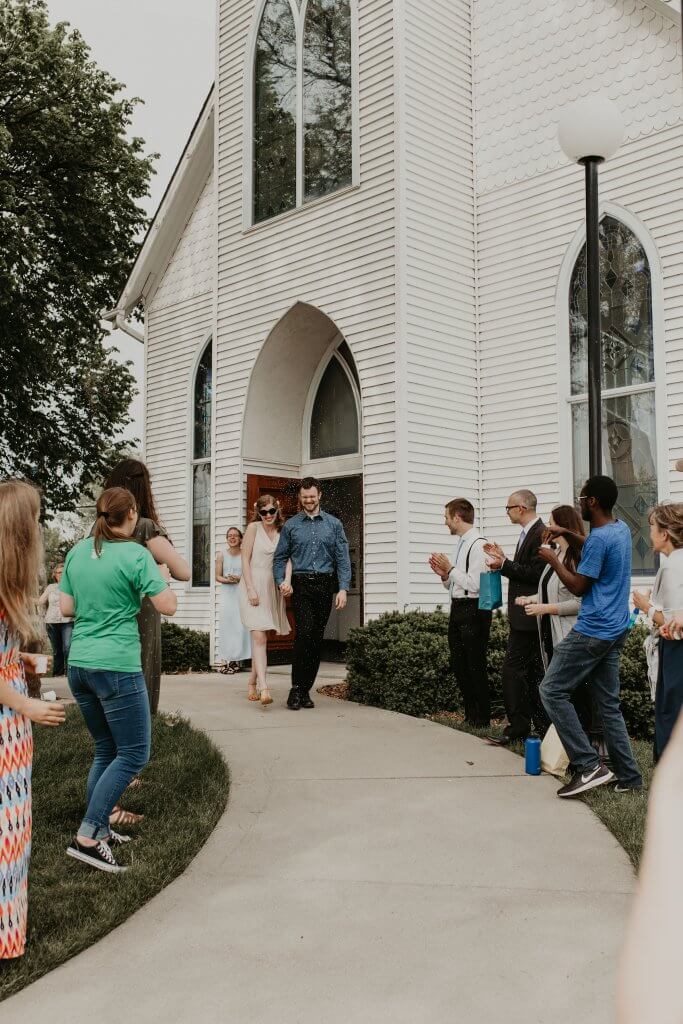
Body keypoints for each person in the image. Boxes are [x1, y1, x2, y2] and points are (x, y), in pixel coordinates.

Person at [60, 487, 178, 873]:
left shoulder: (78, 551)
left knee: (105, 748)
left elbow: (67, 607)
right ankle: (89, 836)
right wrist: (159, 576)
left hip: (79, 665)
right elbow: (168, 606)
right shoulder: (136, 554)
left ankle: (103, 829)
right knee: (134, 753)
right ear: (131, 515)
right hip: (116, 666)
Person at [538, 475, 643, 797]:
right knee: (608, 706)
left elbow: (579, 587)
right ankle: (630, 778)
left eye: (582, 499)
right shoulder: (620, 528)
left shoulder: (599, 538)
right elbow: (599, 550)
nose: (580, 503)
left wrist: (553, 558)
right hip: (616, 628)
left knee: (552, 690)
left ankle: (589, 766)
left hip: (593, 629)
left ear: (592, 502)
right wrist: (568, 533)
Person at [0, 479, 65, 958]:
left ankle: (9, 935)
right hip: (5, 724)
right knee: (6, 831)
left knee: (14, 829)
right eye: (36, 517)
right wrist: (27, 704)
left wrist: (22, 663)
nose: (41, 526)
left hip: (11, 724)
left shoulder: (8, 584)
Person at [104, 459, 190, 714]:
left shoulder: (97, 532)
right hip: (140, 608)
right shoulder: (144, 528)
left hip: (105, 608)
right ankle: (140, 726)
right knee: (141, 668)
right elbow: (184, 572)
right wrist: (158, 571)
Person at [273, 478, 352, 711]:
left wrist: (343, 589)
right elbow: (279, 557)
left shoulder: (334, 525)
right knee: (304, 633)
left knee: (316, 639)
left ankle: (306, 690)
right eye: (304, 496)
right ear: (300, 498)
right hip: (302, 585)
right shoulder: (291, 526)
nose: (308, 500)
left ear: (320, 496)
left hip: (325, 585)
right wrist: (281, 581)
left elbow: (342, 559)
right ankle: (296, 688)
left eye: (312, 496)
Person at [484, 489, 546, 744]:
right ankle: (536, 728)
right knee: (532, 674)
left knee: (513, 671)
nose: (507, 512)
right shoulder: (527, 534)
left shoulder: (540, 533)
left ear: (521, 508)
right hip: (523, 617)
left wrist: (504, 565)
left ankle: (519, 728)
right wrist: (505, 560)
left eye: (508, 508)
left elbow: (535, 574)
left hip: (530, 617)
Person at [429, 497, 491, 727]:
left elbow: (475, 585)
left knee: (475, 664)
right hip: (458, 609)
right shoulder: (461, 543)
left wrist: (451, 569)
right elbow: (455, 584)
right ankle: (470, 714)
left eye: (446, 517)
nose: (445, 522)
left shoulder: (478, 545)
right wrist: (444, 575)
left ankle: (482, 718)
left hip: (474, 611)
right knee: (459, 664)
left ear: (457, 517)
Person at [631, 503, 683, 761]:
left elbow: (674, 625)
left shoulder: (672, 567)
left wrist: (645, 607)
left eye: (652, 527)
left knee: (670, 711)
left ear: (664, 534)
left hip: (676, 652)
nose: (649, 532)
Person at [238, 496, 291, 706]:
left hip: (272, 586)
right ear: (258, 513)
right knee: (259, 637)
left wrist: (287, 581)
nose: (268, 516)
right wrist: (250, 588)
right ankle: (264, 687)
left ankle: (252, 681)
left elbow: (288, 559)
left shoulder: (283, 531)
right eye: (263, 512)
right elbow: (244, 559)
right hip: (252, 584)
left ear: (277, 509)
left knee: (263, 638)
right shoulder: (253, 528)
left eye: (271, 511)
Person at [215, 527, 250, 676]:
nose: (232, 538)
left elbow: (250, 575)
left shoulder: (245, 554)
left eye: (235, 536)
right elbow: (217, 576)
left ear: (241, 539)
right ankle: (224, 661)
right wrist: (228, 580)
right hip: (227, 595)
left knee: (239, 627)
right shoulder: (221, 555)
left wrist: (239, 579)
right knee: (227, 626)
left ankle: (236, 661)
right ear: (227, 538)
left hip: (241, 595)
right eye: (230, 536)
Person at [37, 562, 73, 676]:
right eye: (58, 572)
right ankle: (57, 674)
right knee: (57, 651)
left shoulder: (72, 586)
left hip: (67, 621)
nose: (60, 574)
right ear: (55, 575)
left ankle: (69, 674)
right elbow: (40, 601)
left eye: (62, 572)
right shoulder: (51, 587)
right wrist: (22, 597)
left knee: (67, 647)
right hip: (51, 622)